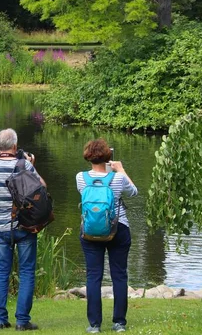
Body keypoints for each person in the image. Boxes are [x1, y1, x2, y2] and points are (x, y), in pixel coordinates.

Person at [0, 128, 46, 331]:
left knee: (2, 272)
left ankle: (0, 319)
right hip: (23, 225)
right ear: (15, 146)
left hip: (0, 226)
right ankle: (22, 320)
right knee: (27, 271)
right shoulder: (25, 165)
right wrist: (30, 167)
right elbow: (42, 187)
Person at [76, 139, 137, 334]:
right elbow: (134, 192)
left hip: (90, 231)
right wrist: (121, 169)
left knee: (93, 276)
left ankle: (94, 325)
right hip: (118, 228)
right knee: (119, 275)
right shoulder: (117, 178)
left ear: (88, 156)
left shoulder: (80, 178)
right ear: (107, 156)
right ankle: (119, 323)